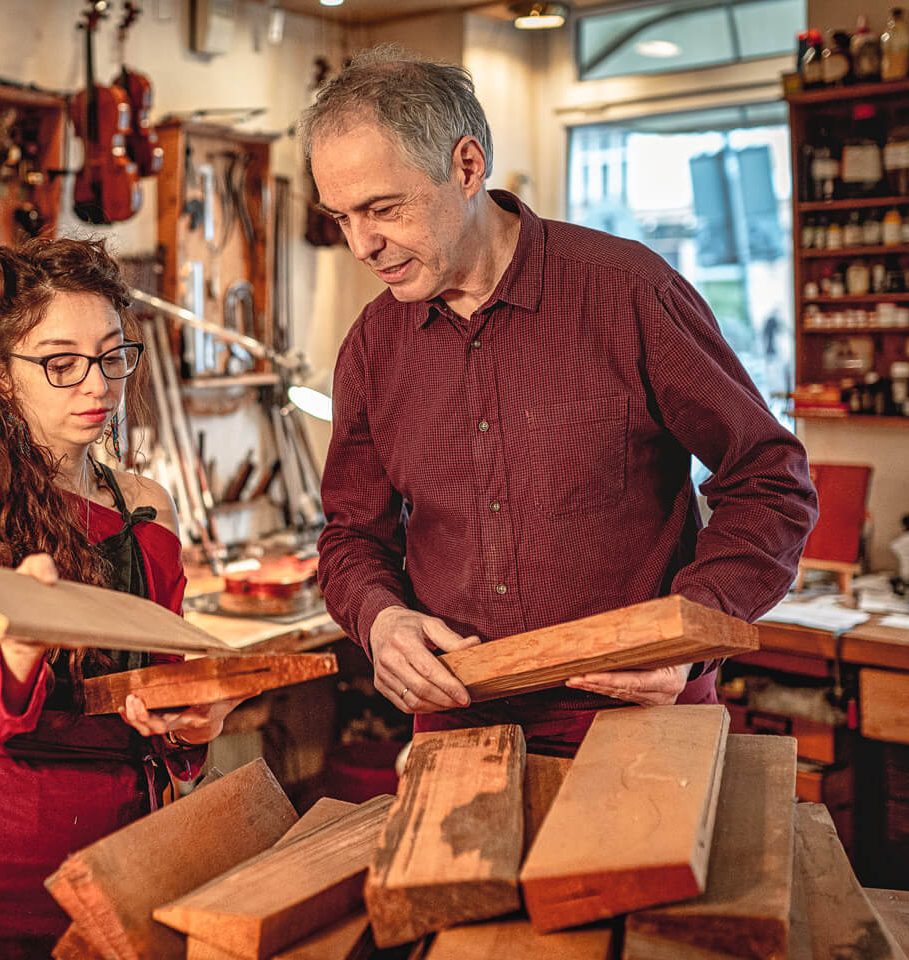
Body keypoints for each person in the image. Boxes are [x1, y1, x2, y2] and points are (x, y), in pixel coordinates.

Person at [304, 47, 818, 755]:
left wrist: (689, 633)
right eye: (340, 218)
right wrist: (380, 619)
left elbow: (770, 483)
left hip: (637, 716)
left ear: (467, 167)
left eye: (382, 208)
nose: (361, 244)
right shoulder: (372, 346)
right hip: (459, 721)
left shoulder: (630, 293)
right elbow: (352, 537)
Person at [0, 238, 240, 959]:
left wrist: (195, 723)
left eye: (110, 355)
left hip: (120, 871)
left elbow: (164, 708)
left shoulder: (145, 507)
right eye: (60, 363)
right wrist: (22, 640)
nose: (96, 385)